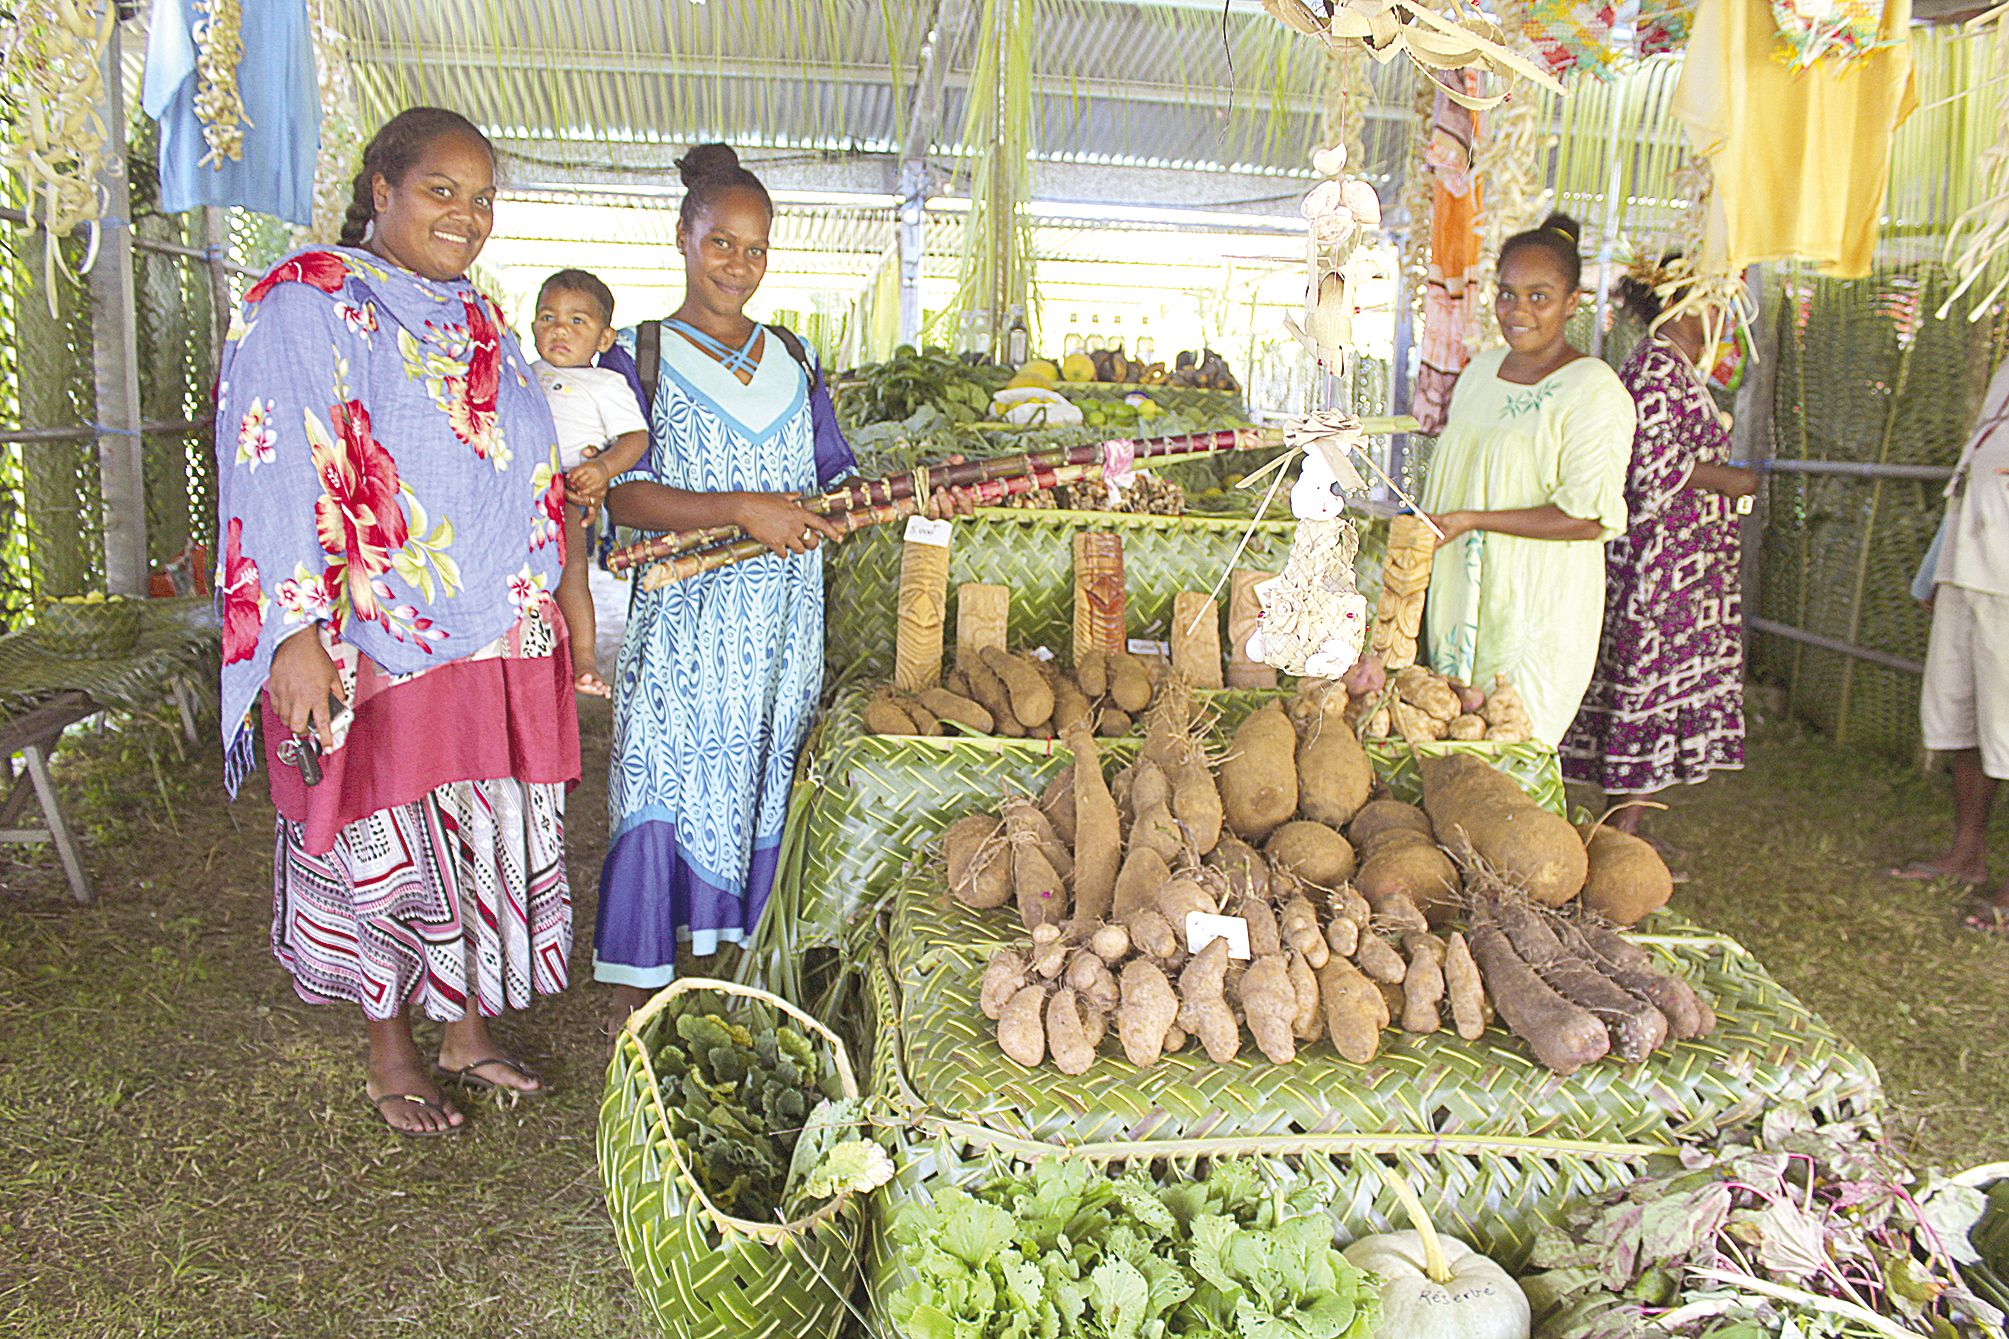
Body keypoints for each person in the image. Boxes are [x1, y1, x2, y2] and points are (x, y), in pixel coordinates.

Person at [215, 107, 579, 1136]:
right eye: (440, 190)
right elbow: (271, 456)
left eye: (482, 198)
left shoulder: (479, 316)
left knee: (478, 826)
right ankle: (390, 1049)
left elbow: (519, 466)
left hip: (489, 629)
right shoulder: (307, 301)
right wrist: (291, 631)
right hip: (368, 636)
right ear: (381, 190)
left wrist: (547, 601)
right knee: (380, 833)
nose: (467, 215)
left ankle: (464, 1027)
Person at [593, 144, 971, 1029]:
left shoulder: (794, 357)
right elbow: (621, 495)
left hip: (779, 617)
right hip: (686, 618)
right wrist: (742, 509)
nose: (738, 264)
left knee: (762, 771)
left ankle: (738, 963)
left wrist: (905, 496)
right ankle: (636, 983)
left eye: (755, 248)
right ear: (681, 237)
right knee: (664, 768)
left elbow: (832, 476)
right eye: (720, 243)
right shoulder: (637, 356)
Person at [1416, 212, 1639, 746]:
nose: (1518, 311)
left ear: (1573, 301)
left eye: (1539, 297)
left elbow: (1589, 517)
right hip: (1459, 599)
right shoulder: (1479, 372)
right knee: (1449, 743)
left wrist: (1472, 520)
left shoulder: (1593, 389)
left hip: (1534, 609)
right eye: (1507, 294)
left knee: (1515, 747)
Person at [1561, 259, 1759, 838]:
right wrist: (1728, 480)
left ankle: (1623, 833)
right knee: (1645, 692)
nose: (1723, 316)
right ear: (1682, 303)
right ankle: (1619, 836)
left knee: (1659, 694)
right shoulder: (1655, 367)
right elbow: (1645, 463)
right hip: (1659, 569)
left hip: (1683, 568)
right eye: (1715, 301)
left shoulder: (1676, 368)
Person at [1891, 354, 2009, 933]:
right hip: (1967, 571)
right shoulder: (2005, 372)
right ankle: (1966, 855)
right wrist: (1933, 570)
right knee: (1963, 721)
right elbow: (1972, 475)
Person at [530, 268, 651, 697]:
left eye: (577, 320)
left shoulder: (606, 384)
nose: (560, 329)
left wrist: (601, 469)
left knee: (572, 572)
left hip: (567, 492)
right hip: (518, 493)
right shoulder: (525, 373)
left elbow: (635, 438)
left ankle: (584, 659)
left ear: (604, 339)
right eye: (548, 317)